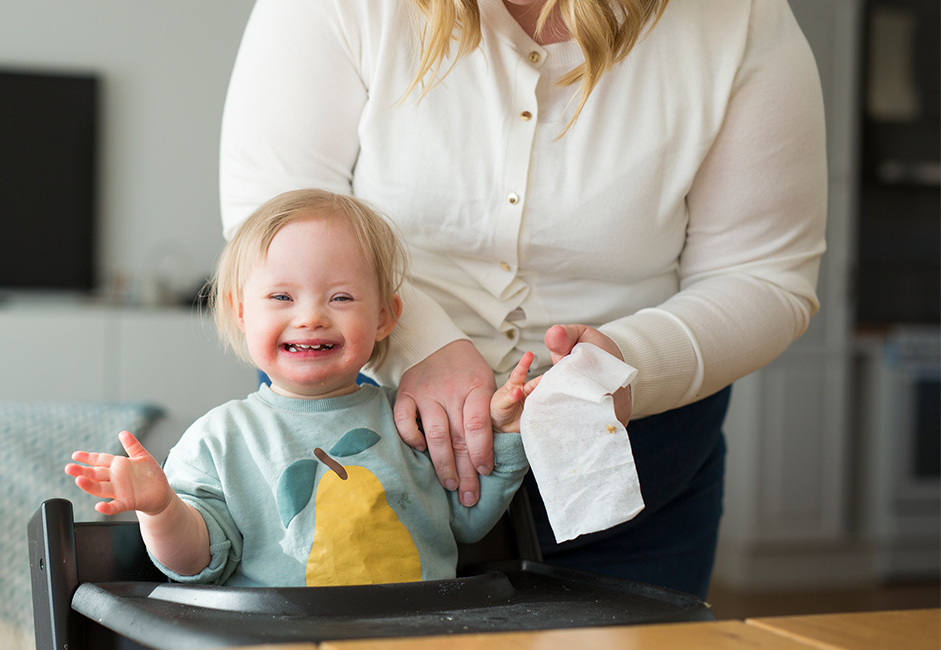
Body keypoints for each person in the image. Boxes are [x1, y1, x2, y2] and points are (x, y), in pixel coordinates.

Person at [219, 0, 827, 598]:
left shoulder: (738, 17)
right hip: (359, 444)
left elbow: (764, 274)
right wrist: (421, 345)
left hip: (628, 471)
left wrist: (628, 358)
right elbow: (272, 227)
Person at [66, 189, 539, 586]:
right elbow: (196, 565)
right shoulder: (219, 439)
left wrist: (506, 433)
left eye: (340, 297)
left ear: (384, 317)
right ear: (241, 312)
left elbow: (469, 520)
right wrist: (161, 508)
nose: (310, 317)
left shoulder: (412, 424)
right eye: (281, 297)